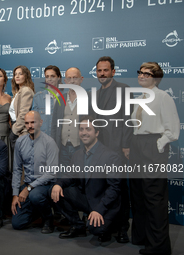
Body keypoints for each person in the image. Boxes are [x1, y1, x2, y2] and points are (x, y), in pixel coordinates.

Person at [129, 62, 179, 255]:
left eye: (146, 73)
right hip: (137, 146)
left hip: (152, 147)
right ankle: (141, 237)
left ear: (155, 77)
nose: (141, 76)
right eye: (140, 72)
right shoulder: (140, 97)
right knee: (138, 194)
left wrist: (157, 145)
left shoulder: (163, 97)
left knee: (154, 197)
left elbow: (173, 130)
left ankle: (158, 246)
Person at [51, 116, 122, 242]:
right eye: (81, 129)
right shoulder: (77, 155)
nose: (84, 132)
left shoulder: (110, 156)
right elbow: (70, 175)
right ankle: (78, 226)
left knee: (96, 230)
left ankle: (113, 225)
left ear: (97, 133)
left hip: (104, 204)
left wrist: (99, 210)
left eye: (88, 129)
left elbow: (114, 188)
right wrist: (58, 184)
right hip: (87, 200)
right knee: (56, 191)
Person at [89, 56, 132, 243]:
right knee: (104, 188)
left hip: (117, 149)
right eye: (99, 70)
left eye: (106, 70)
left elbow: (128, 119)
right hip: (100, 149)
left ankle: (123, 229)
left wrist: (126, 145)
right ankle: (107, 226)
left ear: (113, 71)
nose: (102, 74)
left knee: (120, 188)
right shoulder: (95, 94)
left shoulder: (123, 89)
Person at [11, 111, 58, 233]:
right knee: (17, 223)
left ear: (41, 123)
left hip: (45, 185)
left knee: (35, 195)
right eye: (27, 123)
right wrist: (15, 194)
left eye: (33, 122)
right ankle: (38, 210)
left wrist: (29, 188)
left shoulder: (49, 142)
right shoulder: (20, 142)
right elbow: (16, 170)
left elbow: (51, 172)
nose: (30, 126)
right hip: (28, 185)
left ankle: (48, 219)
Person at [51, 67, 84, 167]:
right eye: (69, 78)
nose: (72, 81)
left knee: (80, 177)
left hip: (80, 147)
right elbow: (54, 125)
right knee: (63, 177)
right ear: (65, 81)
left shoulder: (89, 98)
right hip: (62, 148)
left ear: (81, 79)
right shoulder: (60, 99)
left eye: (75, 77)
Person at [8, 65, 35, 151]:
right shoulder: (18, 92)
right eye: (15, 74)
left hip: (21, 131)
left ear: (26, 76)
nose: (17, 76)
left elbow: (24, 113)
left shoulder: (26, 90)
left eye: (20, 74)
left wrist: (14, 130)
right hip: (16, 128)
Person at [33, 65, 62, 136]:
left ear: (58, 78)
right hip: (43, 139)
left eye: (52, 76)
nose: (49, 79)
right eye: (47, 76)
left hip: (61, 140)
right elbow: (34, 122)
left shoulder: (65, 97)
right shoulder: (38, 97)